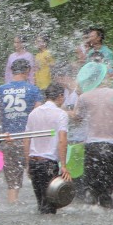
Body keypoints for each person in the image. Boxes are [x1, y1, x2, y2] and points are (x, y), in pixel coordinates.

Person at [73, 62, 113, 208]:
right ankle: (109, 219)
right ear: (104, 77)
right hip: (112, 145)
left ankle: (90, 220)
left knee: (91, 189)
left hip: (92, 145)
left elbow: (76, 117)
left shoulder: (85, 97)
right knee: (106, 192)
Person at [0, 58, 43, 203]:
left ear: (12, 71)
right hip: (28, 140)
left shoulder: (1, 89)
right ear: (27, 72)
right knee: (37, 178)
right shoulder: (34, 90)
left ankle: (12, 203)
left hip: (8, 139)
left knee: (13, 183)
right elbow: (38, 115)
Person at [24, 83, 71, 214]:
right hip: (48, 164)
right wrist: (63, 165)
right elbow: (62, 140)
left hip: (34, 162)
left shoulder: (33, 113)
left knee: (40, 203)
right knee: (50, 205)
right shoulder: (61, 114)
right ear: (60, 96)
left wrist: (28, 164)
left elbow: (26, 139)